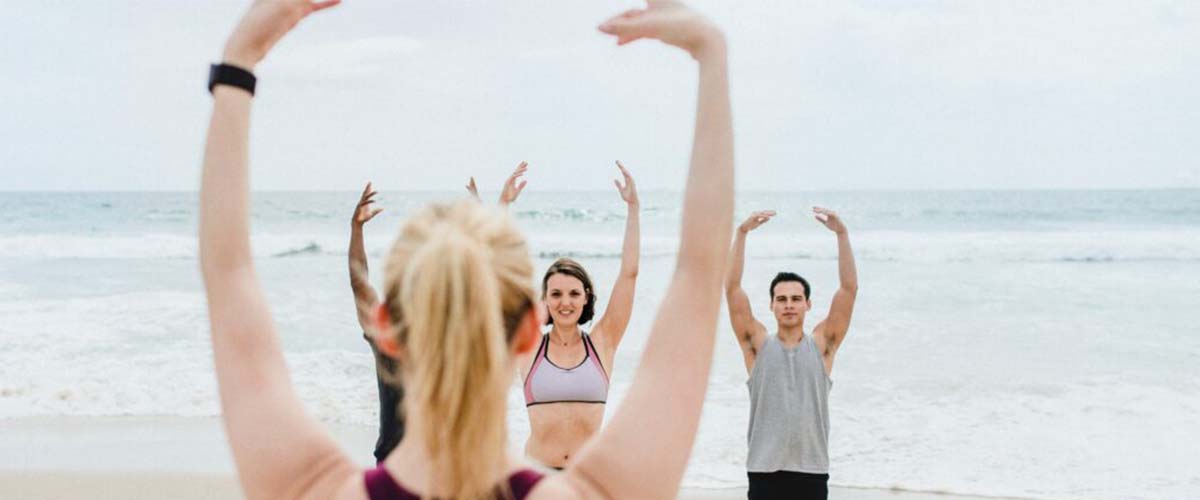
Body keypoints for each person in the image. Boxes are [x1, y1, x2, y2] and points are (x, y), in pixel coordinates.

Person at [198, 0, 733, 498]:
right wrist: (710, 53)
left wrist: (240, 59)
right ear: (529, 330)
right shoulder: (598, 492)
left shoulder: (312, 487)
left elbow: (230, 275)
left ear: (386, 327)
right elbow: (699, 276)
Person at [723, 208, 859, 500]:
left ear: (808, 305)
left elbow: (848, 290)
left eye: (796, 299)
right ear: (771, 305)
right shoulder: (757, 345)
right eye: (781, 299)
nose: (789, 305)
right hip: (764, 470)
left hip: (812, 471)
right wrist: (741, 233)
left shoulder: (823, 346)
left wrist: (842, 234)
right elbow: (732, 289)